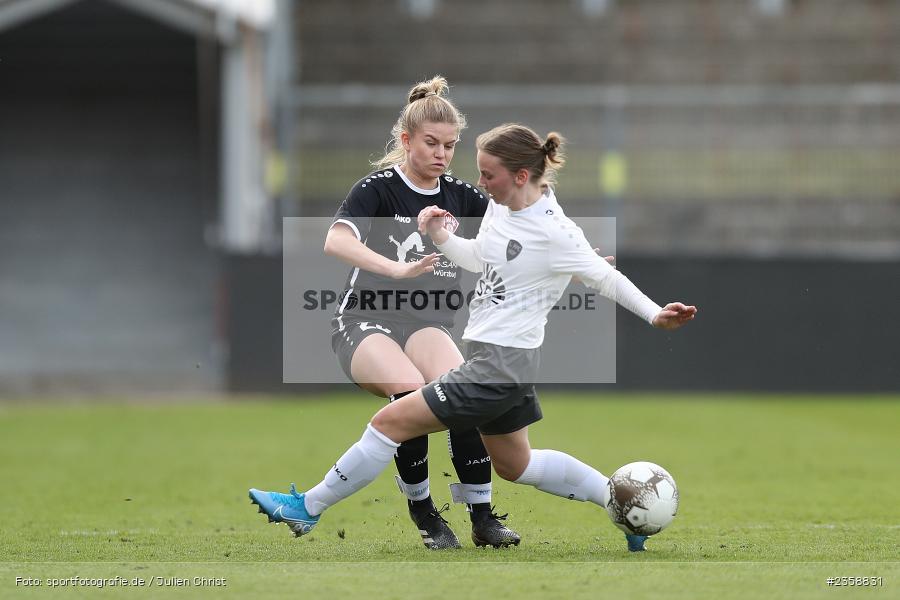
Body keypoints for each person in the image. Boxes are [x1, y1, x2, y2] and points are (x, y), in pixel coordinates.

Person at [251, 123, 697, 552]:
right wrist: (441, 235)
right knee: (517, 466)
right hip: (504, 365)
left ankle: (306, 508)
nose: (479, 182)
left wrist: (657, 314)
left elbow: (605, 278)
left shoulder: (556, 231)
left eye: (488, 174)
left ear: (521, 175)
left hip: (497, 368)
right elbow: (477, 258)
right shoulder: (504, 208)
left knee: (389, 423)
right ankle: (624, 503)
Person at [317, 76, 520, 549]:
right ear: (406, 140)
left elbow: (516, 234)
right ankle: (426, 513)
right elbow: (335, 239)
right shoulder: (378, 190)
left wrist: (576, 263)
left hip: (425, 323)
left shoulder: (461, 196)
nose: (442, 154)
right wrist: (397, 269)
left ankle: (483, 518)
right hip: (363, 320)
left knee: (462, 395)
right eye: (431, 143)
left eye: (450, 146)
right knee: (410, 392)